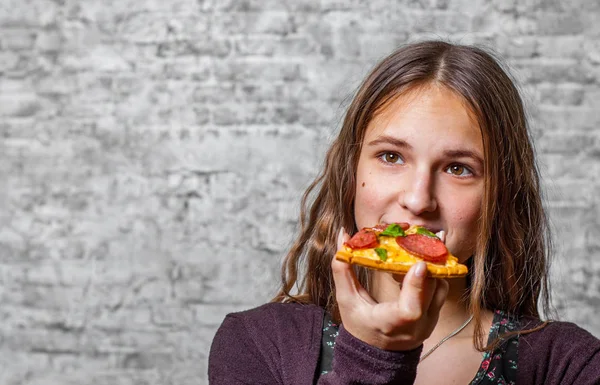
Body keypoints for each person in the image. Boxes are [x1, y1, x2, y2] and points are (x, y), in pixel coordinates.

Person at [208, 40, 600, 384]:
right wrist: (372, 354)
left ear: (499, 196)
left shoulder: (570, 365)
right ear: (352, 172)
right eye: (391, 156)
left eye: (458, 168)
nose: (418, 199)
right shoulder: (258, 343)